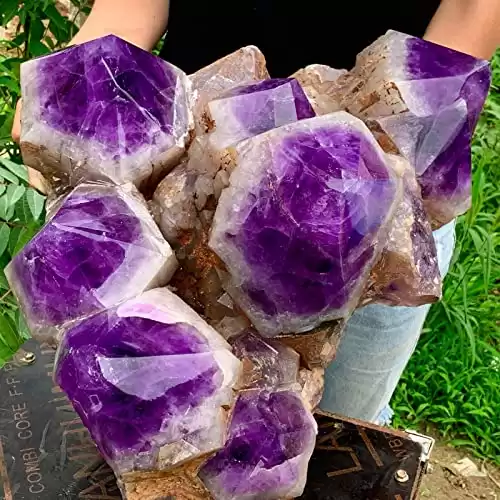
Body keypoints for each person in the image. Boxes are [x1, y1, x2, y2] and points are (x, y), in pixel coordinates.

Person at [11, 0, 500, 424]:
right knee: (154, 418)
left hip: (371, 214)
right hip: (175, 176)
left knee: (333, 434)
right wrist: (72, 94)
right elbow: (129, 10)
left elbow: (470, 16)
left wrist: (369, 177)